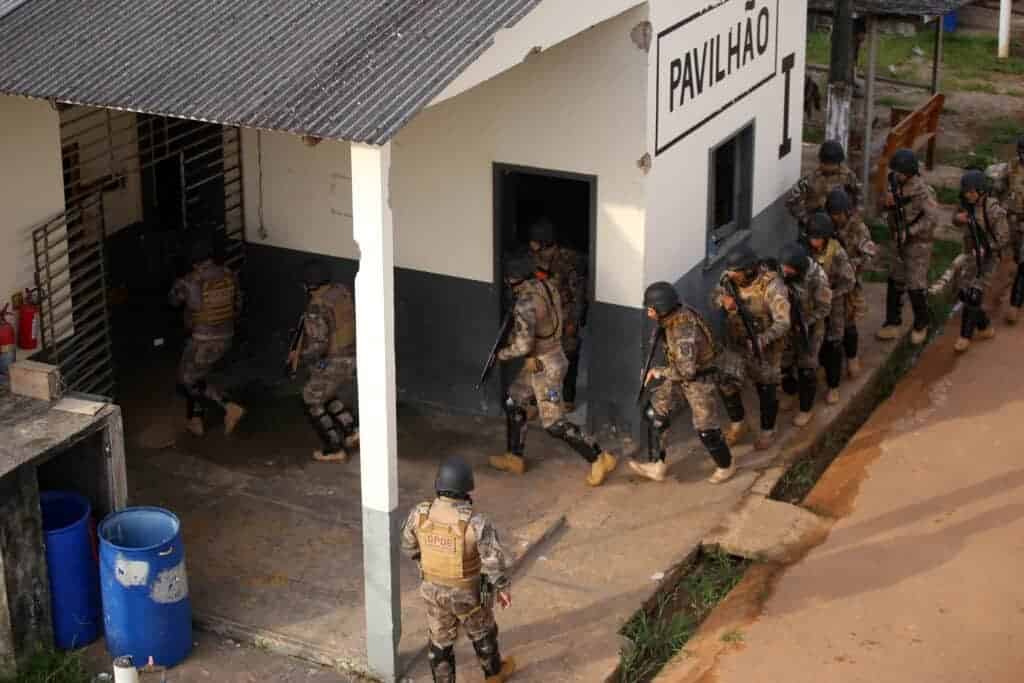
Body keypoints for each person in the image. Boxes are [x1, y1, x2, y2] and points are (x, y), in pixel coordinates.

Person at [489, 252, 617, 486]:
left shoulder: (525, 303)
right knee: (514, 399)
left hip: (545, 367)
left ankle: (599, 457)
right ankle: (514, 457)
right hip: (546, 356)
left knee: (554, 424)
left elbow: (523, 344)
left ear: (512, 279)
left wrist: (501, 354)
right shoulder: (547, 286)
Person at [400, 457, 516, 683]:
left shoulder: (419, 514)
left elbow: (407, 546)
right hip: (469, 592)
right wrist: (502, 588)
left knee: (439, 641)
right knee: (483, 632)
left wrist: (428, 564)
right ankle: (494, 675)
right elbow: (493, 561)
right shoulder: (476, 522)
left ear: (438, 484)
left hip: (432, 590)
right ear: (467, 488)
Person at [631, 282, 735, 484]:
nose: (648, 312)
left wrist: (659, 372)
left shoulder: (683, 329)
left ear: (662, 308)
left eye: (651, 308)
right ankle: (657, 466)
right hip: (681, 374)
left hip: (699, 380)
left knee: (706, 429)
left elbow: (687, 371)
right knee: (655, 413)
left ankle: (726, 466)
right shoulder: (672, 315)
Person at [713, 247, 791, 451]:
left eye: (736, 272)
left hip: (764, 347)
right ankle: (739, 424)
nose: (731, 275)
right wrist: (723, 302)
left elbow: (783, 322)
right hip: (736, 342)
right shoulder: (728, 277)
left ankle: (768, 430)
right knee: (726, 381)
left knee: (766, 388)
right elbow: (714, 296)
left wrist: (762, 339)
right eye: (730, 271)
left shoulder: (772, 286)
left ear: (748, 270)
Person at [168, 237, 245, 437]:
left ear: (193, 260)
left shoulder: (189, 280)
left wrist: (179, 283)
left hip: (202, 341)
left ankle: (229, 406)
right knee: (197, 374)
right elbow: (238, 304)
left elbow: (173, 301)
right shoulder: (229, 274)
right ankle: (196, 420)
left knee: (186, 379)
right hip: (226, 337)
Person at [289, 260, 359, 463]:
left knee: (310, 398)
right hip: (352, 356)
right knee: (325, 392)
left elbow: (318, 345)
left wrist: (299, 358)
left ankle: (334, 447)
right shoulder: (341, 292)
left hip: (334, 362)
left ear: (309, 285)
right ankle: (352, 430)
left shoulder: (316, 307)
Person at [877, 148, 941, 346]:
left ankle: (922, 323)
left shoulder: (923, 192)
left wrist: (911, 231)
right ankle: (892, 322)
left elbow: (932, 218)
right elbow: (882, 208)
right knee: (895, 279)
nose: (896, 175)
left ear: (909, 172)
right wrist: (886, 203)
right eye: (895, 171)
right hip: (898, 240)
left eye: (900, 172)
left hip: (918, 244)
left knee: (915, 284)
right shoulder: (893, 185)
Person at [527, 218, 588, 412]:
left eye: (535, 241)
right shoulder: (534, 259)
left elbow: (579, 294)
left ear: (544, 241)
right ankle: (540, 396)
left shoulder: (568, 260)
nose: (531, 245)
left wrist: (574, 321)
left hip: (565, 314)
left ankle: (568, 396)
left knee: (568, 353)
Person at [951, 170, 1009, 353]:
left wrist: (987, 248)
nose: (968, 195)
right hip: (971, 255)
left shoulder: (993, 210)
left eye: (971, 192)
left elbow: (1004, 237)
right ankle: (984, 326)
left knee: (974, 294)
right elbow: (955, 220)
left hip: (989, 258)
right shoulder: (964, 204)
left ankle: (964, 336)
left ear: (982, 191)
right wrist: (957, 219)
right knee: (964, 293)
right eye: (966, 192)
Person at [777, 242, 832, 428]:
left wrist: (805, 322)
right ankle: (790, 392)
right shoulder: (782, 271)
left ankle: (805, 408)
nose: (785, 272)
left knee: (806, 368)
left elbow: (824, 308)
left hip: (811, 327)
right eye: (784, 268)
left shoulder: (818, 278)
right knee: (783, 363)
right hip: (788, 325)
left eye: (789, 269)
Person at [826, 188, 878, 377]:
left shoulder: (858, 229)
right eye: (832, 213)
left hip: (851, 281)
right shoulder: (827, 226)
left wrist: (851, 265)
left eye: (838, 214)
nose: (835, 217)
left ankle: (852, 357)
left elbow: (870, 255)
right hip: (830, 281)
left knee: (848, 320)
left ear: (846, 211)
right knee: (830, 322)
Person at [806, 212, 856, 404]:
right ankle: (821, 369)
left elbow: (849, 281)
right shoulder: (807, 251)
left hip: (835, 304)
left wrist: (832, 294)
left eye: (817, 238)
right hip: (815, 304)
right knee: (817, 340)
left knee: (834, 342)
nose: (813, 241)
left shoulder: (837, 253)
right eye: (811, 237)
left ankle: (833, 386)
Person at [787, 141, 862, 228]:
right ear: (821, 162)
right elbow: (792, 202)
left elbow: (859, 195)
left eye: (832, 164)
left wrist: (853, 215)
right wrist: (807, 220)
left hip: (840, 225)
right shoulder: (810, 179)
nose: (829, 166)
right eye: (827, 163)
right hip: (816, 226)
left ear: (839, 163)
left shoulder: (848, 176)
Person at [1006, 136, 1024, 323]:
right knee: (1018, 256)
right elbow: (1000, 186)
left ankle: (1015, 304)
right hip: (1013, 221)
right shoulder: (1012, 166)